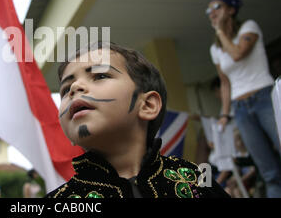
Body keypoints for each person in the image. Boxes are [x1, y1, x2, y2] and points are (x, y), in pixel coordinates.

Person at [46, 42, 229, 198]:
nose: (75, 87)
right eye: (65, 88)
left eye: (100, 76)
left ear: (147, 105)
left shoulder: (194, 179)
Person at [206, 0, 281, 197]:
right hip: (240, 108)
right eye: (209, 11)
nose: (212, 13)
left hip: (264, 97)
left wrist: (221, 31)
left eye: (216, 7)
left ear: (231, 10)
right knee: (267, 169)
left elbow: (238, 53)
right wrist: (224, 114)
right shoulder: (216, 48)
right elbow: (225, 82)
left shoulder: (248, 27)